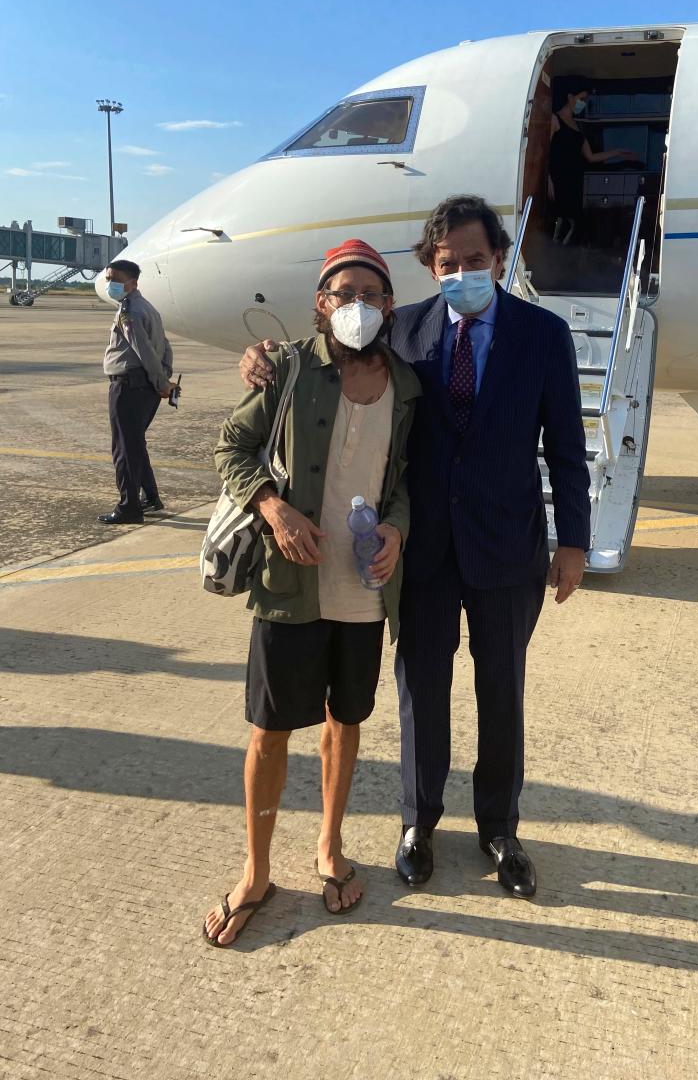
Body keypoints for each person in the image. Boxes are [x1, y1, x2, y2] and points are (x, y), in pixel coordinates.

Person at [240, 196, 590, 900]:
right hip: (421, 550)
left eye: (476, 260)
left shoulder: (544, 335)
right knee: (420, 691)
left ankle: (500, 828)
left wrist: (573, 541)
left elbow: (567, 448)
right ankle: (418, 821)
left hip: (506, 548)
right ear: (431, 269)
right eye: (448, 262)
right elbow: (326, 349)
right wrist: (262, 358)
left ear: (500, 259)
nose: (463, 271)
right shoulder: (400, 330)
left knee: (502, 689)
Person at [203, 240, 420, 947]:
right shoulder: (288, 368)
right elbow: (231, 447)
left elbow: (410, 482)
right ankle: (257, 869)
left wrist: (395, 527)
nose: (356, 306)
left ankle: (329, 845)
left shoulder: (408, 387)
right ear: (320, 304)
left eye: (370, 293)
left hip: (362, 590)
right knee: (269, 731)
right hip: (288, 584)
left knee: (345, 720)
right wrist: (273, 508)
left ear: (390, 305)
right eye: (342, 293)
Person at [98, 259, 177, 525]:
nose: (111, 284)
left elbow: (143, 348)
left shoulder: (129, 310)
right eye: (109, 279)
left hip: (129, 386)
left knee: (124, 449)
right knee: (135, 444)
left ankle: (129, 507)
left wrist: (161, 382)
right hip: (145, 388)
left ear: (132, 282)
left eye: (115, 280)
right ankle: (150, 497)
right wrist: (162, 378)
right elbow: (165, 348)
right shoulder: (149, 308)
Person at [549, 81, 633, 245]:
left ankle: (566, 255)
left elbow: (591, 156)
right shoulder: (555, 119)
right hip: (558, 178)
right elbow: (544, 152)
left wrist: (617, 152)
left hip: (575, 179)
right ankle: (555, 251)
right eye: (582, 98)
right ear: (570, 97)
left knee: (574, 221)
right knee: (561, 219)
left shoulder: (578, 126)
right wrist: (548, 178)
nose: (583, 103)